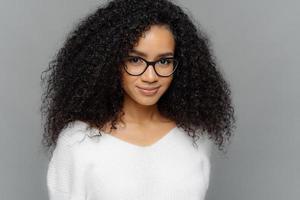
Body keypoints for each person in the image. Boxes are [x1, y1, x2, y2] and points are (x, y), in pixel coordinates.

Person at [41, 0, 235, 199]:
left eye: (164, 61)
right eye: (135, 60)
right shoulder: (77, 142)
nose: (150, 77)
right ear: (110, 61)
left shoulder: (197, 136)